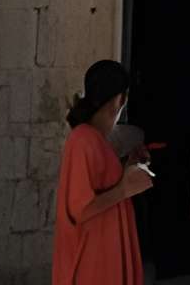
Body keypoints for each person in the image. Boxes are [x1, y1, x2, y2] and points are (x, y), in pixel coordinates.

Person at [54, 59, 153, 285]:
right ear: (120, 100)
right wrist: (125, 189)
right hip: (95, 264)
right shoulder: (83, 139)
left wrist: (129, 166)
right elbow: (81, 209)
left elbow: (104, 189)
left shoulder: (94, 140)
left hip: (104, 259)